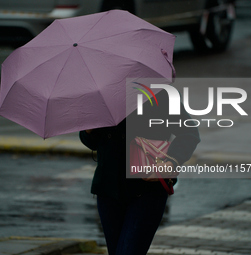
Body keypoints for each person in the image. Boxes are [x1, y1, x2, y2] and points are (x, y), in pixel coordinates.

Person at [79, 88, 200, 255]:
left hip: (146, 191)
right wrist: (88, 130)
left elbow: (189, 132)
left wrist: (171, 162)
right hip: (108, 192)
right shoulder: (99, 95)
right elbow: (92, 142)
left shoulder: (158, 93)